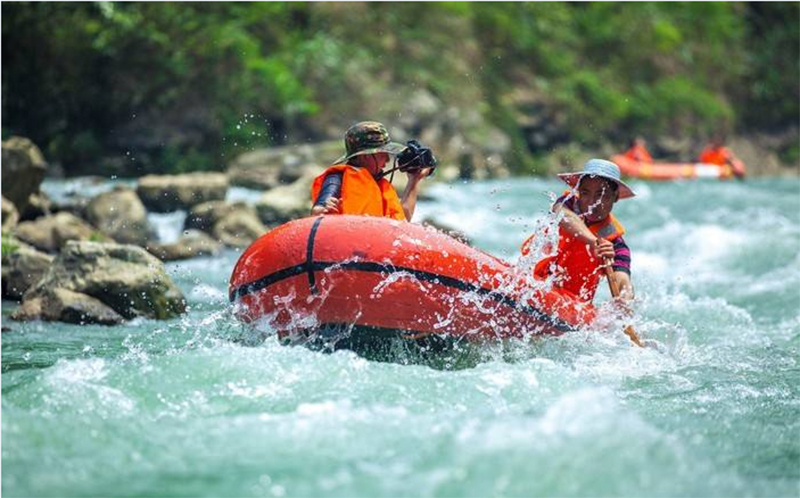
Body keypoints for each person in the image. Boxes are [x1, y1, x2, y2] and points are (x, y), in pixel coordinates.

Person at [521, 159, 635, 306]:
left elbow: (623, 280)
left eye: (601, 194)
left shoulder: (616, 245)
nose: (592, 202)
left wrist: (625, 300)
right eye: (585, 193)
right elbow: (563, 216)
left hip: (570, 305)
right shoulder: (565, 204)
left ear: (615, 197)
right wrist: (594, 242)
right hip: (532, 282)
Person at [310, 121, 432, 220]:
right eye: (383, 153)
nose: (388, 160)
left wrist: (414, 180)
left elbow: (402, 222)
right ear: (365, 156)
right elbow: (319, 208)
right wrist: (323, 208)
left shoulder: (380, 185)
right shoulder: (337, 177)